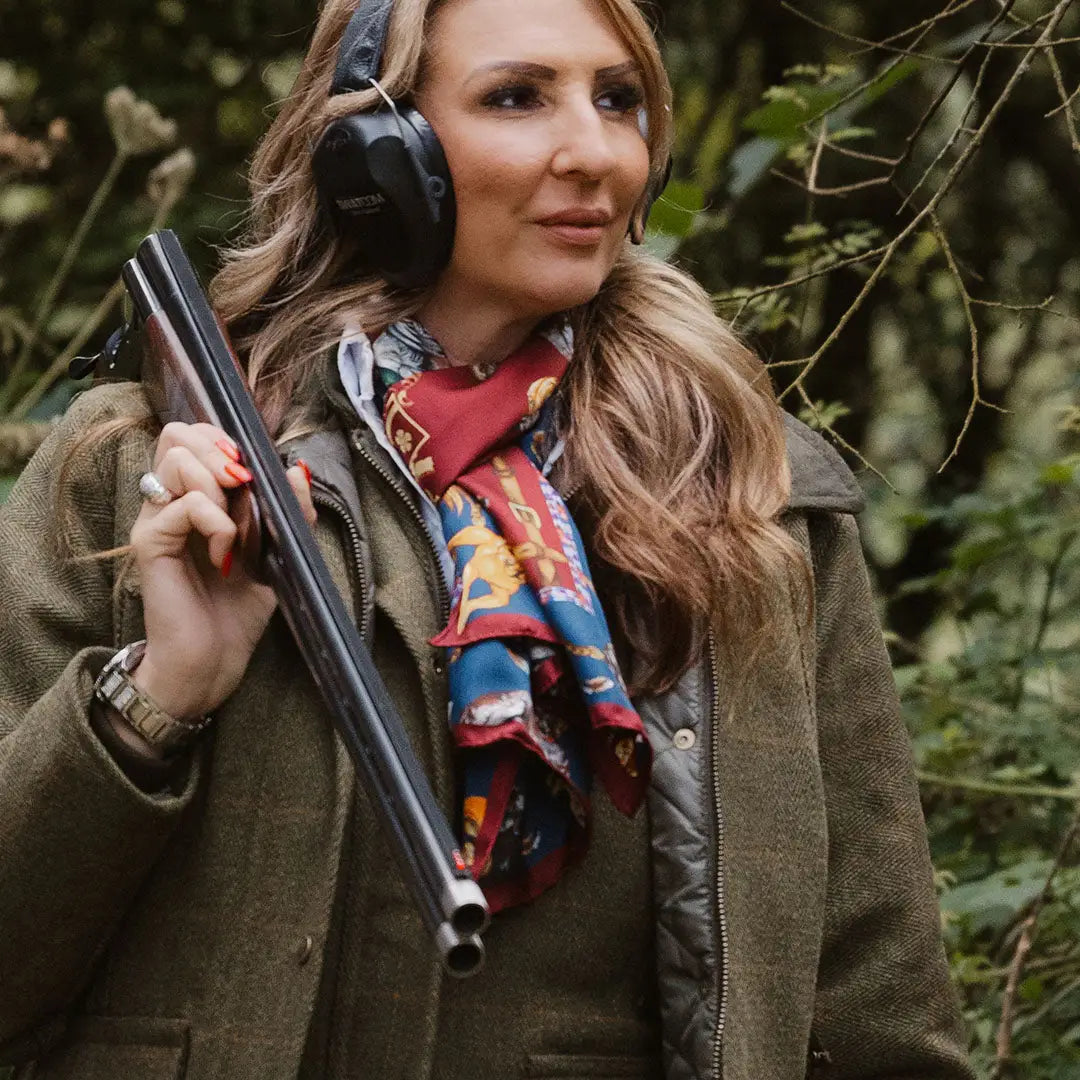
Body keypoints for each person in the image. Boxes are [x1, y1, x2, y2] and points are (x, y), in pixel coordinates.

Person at [0, 0, 975, 1077]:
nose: (594, 151)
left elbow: (877, 998)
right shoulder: (138, 475)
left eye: (619, 100)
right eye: (516, 97)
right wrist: (156, 698)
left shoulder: (743, 496)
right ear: (373, 156)